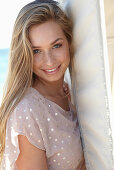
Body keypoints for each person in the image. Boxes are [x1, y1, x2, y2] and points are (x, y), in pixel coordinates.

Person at [0, 0, 86, 169]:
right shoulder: (27, 112)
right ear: (24, 54)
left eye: (56, 45)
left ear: (69, 42)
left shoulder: (70, 90)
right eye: (36, 51)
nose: (49, 61)